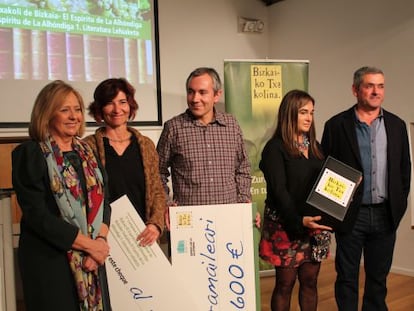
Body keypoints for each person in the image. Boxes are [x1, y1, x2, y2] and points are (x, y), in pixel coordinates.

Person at [12, 80, 111, 311]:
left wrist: (99, 244)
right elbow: (38, 216)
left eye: (77, 109)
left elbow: (105, 202)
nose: (73, 116)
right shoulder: (30, 153)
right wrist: (90, 246)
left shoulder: (88, 152)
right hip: (50, 261)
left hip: (92, 259)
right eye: (64, 110)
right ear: (47, 114)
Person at [321, 66, 411, 311]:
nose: (375, 91)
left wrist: (398, 206)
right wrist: (332, 214)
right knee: (347, 276)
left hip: (385, 214)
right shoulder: (336, 125)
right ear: (355, 90)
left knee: (378, 278)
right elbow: (325, 170)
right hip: (352, 214)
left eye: (380, 86)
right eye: (369, 86)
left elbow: (404, 170)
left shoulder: (396, 125)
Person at [259, 90, 332, 311]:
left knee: (310, 282)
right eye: (303, 112)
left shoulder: (316, 146)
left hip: (315, 227)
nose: (309, 117)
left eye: (311, 112)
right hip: (287, 225)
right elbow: (280, 191)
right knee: (285, 284)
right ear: (290, 114)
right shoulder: (275, 148)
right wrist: (300, 221)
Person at [156, 67, 255, 223]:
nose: (195, 98)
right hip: (189, 221)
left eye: (202, 92)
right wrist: (166, 204)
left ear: (217, 95)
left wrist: (243, 200)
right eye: (191, 92)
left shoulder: (231, 125)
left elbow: (242, 167)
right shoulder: (173, 128)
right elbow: (157, 172)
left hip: (228, 218)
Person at [84, 78, 165, 246]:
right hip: (103, 237)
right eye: (109, 103)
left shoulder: (146, 145)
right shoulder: (87, 147)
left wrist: (155, 224)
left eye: (122, 102)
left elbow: (157, 190)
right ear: (99, 109)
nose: (117, 109)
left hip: (143, 234)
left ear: (130, 106)